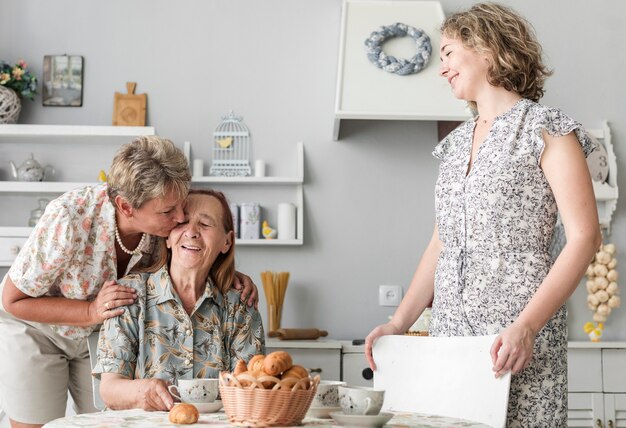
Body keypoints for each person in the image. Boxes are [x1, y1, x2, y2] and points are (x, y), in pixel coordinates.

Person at [364, 3, 600, 427]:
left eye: (449, 53)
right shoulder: (453, 147)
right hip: (451, 338)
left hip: (516, 339)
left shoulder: (547, 129)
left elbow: (585, 237)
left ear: (488, 48)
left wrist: (526, 327)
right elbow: (442, 243)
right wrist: (399, 321)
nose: (442, 69)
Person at [0, 136, 259, 428]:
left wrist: (227, 272)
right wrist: (89, 312)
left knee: (108, 421)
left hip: (99, 332)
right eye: (168, 212)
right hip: (38, 330)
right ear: (126, 207)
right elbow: (12, 301)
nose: (180, 218)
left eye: (180, 204)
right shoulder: (68, 218)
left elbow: (196, 253)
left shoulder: (161, 225)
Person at [93, 189, 265, 411]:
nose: (191, 232)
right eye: (182, 223)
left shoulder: (239, 306)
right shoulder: (129, 295)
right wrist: (141, 391)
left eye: (205, 224)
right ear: (167, 237)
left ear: (226, 242)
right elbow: (110, 389)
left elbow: (250, 390)